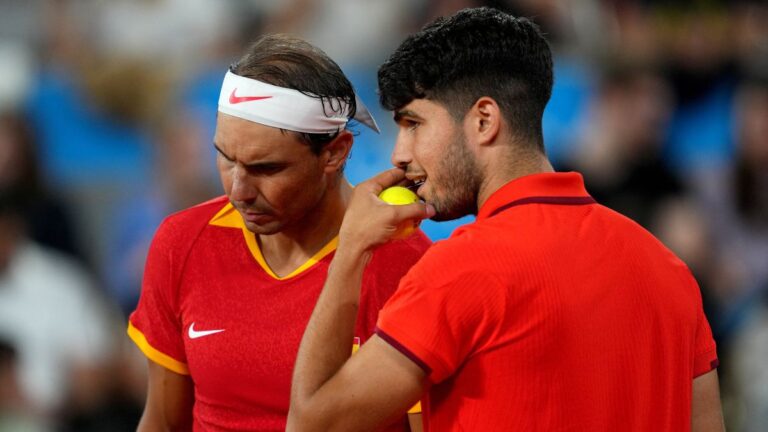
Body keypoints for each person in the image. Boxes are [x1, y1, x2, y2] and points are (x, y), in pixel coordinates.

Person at [287, 7, 725, 431]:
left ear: (483, 121)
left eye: (414, 124)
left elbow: (312, 424)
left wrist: (350, 252)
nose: (400, 155)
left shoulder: (457, 271)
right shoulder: (669, 271)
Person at [127, 34, 430, 431]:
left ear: (335, 153)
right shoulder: (182, 241)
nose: (239, 191)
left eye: (266, 169)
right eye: (225, 158)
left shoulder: (409, 265)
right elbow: (164, 422)